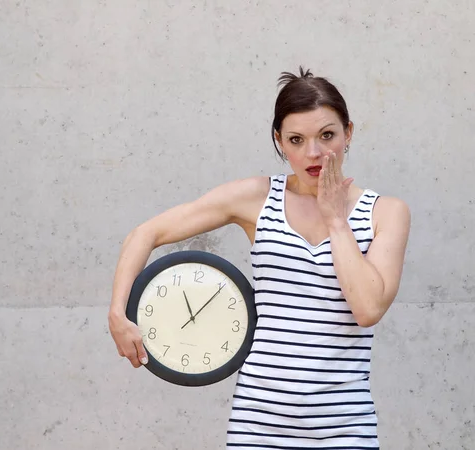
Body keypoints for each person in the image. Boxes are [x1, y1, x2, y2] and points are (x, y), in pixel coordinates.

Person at [108, 67, 411, 448]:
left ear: (348, 133)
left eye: (327, 135)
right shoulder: (256, 198)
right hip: (257, 427)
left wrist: (335, 219)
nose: (313, 153)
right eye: (297, 140)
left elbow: (367, 309)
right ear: (279, 140)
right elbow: (144, 234)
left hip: (344, 427)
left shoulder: (385, 213)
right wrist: (118, 314)